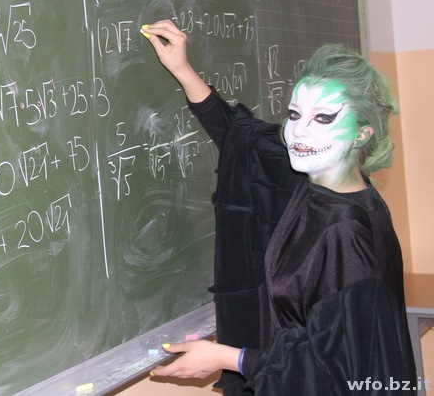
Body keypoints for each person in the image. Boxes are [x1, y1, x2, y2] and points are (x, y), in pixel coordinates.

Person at [140, 20, 415, 394]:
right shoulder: (311, 179)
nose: (299, 131)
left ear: (362, 134)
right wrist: (182, 69)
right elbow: (240, 137)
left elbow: (335, 371)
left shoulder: (346, 235)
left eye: (323, 118)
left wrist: (230, 359)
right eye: (294, 114)